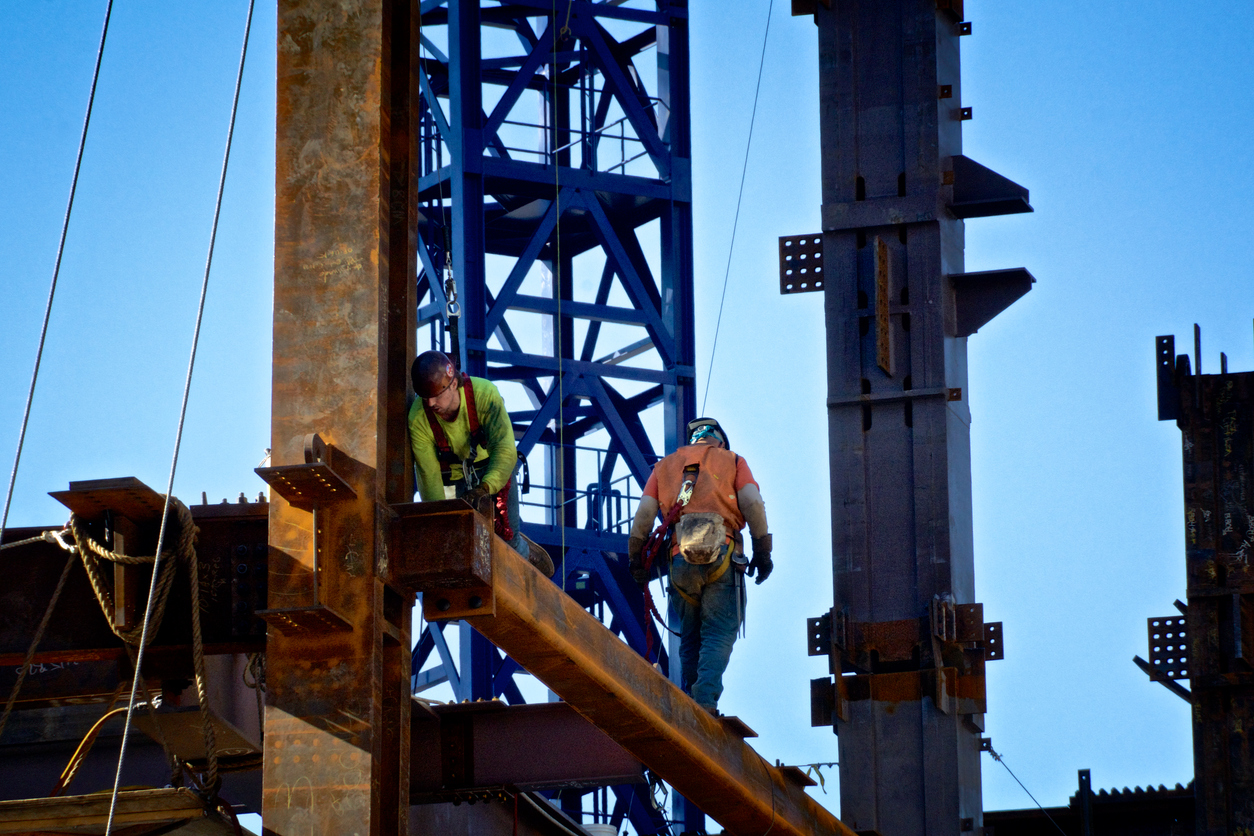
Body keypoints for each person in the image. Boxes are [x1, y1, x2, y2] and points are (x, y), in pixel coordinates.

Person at [627, 417, 772, 714]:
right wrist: (763, 550)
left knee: (690, 636)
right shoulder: (733, 460)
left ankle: (687, 700)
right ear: (720, 440)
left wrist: (635, 557)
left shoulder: (665, 466)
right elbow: (753, 502)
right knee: (718, 632)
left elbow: (644, 514)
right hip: (723, 555)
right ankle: (704, 701)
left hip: (680, 559)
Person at [408, 350, 554, 576]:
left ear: (453, 383)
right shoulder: (419, 418)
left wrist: (485, 488)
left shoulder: (485, 395)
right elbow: (428, 476)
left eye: (436, 394)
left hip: (491, 470)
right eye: (424, 396)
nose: (430, 402)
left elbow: (505, 450)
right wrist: (440, 524)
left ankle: (524, 552)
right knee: (460, 547)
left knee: (508, 543)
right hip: (453, 479)